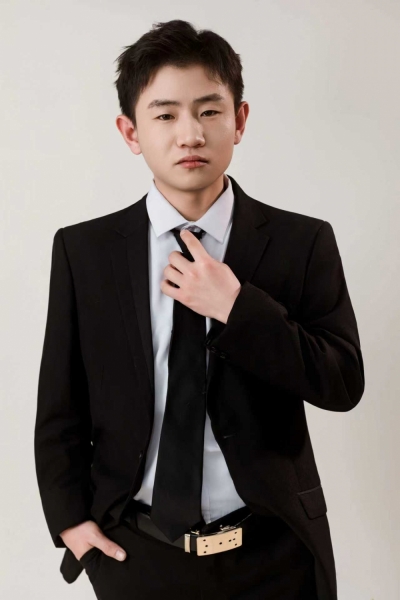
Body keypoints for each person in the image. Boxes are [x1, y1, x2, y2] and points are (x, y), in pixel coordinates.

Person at [34, 19, 365, 600]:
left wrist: (239, 308)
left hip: (274, 555)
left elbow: (342, 384)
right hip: (137, 557)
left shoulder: (302, 242)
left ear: (239, 121)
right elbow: (61, 408)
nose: (190, 134)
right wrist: (70, 522)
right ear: (131, 132)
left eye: (209, 111)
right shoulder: (84, 252)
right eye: (165, 115)